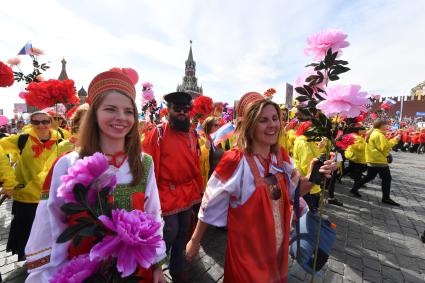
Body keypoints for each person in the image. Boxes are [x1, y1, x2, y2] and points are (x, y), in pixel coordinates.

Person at [25, 70, 166, 283]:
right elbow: (50, 224)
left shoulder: (143, 162)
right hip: (83, 271)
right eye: (110, 109)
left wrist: (156, 264)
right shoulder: (68, 164)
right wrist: (46, 275)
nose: (121, 117)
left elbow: (153, 215)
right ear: (94, 114)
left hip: (135, 271)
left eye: (128, 112)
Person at [185, 92, 336, 283]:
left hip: (277, 254)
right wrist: (195, 241)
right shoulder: (235, 160)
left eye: (275, 118)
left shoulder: (280, 156)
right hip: (247, 256)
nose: (272, 124)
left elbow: (295, 192)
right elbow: (209, 204)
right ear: (250, 125)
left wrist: (314, 176)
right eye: (263, 120)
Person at [143, 91, 203, 283]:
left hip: (188, 193)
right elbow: (149, 168)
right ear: (169, 110)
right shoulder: (158, 132)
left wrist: (200, 192)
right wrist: (149, 198)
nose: (182, 113)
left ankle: (178, 270)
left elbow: (197, 164)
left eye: (186, 109)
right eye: (178, 109)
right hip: (166, 194)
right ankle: (155, 268)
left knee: (184, 233)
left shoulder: (193, 133)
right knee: (168, 232)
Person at [0, 111, 62, 261]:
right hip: (27, 198)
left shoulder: (62, 139)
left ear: (51, 122)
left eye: (45, 121)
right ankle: (29, 262)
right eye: (36, 122)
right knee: (26, 232)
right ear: (31, 123)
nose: (41, 125)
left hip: (52, 197)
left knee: (50, 232)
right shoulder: (22, 139)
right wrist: (8, 179)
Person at [350, 119, 400, 206]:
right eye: (386, 125)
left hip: (372, 159)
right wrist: (395, 140)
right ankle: (386, 198)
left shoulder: (373, 133)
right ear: (381, 125)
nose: (387, 126)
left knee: (370, 176)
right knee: (387, 179)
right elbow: (384, 147)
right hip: (379, 160)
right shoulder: (379, 134)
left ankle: (354, 188)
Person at [200, 116, 225, 187]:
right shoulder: (201, 140)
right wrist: (205, 148)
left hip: (220, 182)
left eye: (219, 125)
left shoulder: (220, 141)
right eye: (216, 125)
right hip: (209, 183)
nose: (218, 127)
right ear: (208, 127)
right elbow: (197, 162)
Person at [345, 126, 368, 197]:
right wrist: (366, 143)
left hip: (354, 157)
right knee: (358, 175)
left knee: (352, 170)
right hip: (358, 158)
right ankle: (354, 190)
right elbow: (360, 147)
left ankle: (354, 189)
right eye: (363, 130)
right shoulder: (358, 137)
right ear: (358, 130)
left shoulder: (354, 135)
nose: (365, 131)